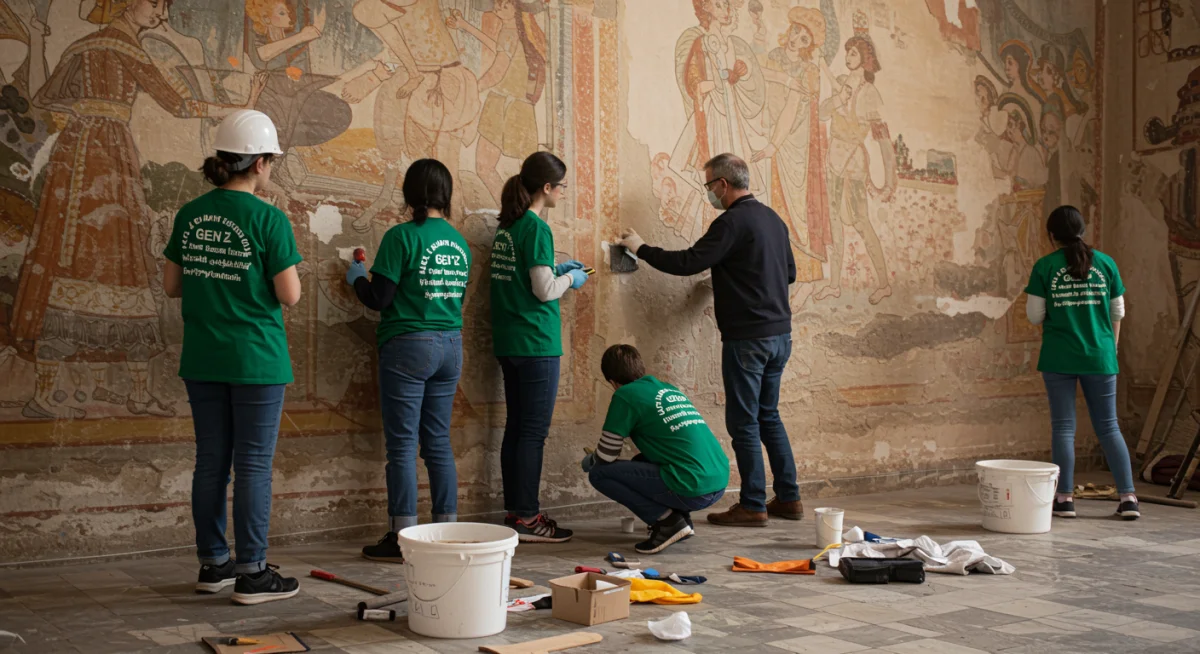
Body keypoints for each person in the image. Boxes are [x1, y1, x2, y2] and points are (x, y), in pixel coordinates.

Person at [163, 110, 303, 604]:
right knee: (254, 466)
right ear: (262, 163)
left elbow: (172, 285)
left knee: (210, 463)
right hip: (256, 360)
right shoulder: (268, 218)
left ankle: (214, 564)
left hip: (203, 356)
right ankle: (254, 573)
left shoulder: (190, 214)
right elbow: (291, 296)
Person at [618, 153, 801, 528]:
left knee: (745, 423)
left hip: (748, 339)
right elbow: (790, 274)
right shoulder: (773, 220)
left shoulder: (731, 222)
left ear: (722, 184)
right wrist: (736, 279)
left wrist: (640, 248)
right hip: (780, 335)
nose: (709, 194)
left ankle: (753, 504)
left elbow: (687, 261)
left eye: (708, 186)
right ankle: (789, 497)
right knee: (769, 416)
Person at [345, 159, 471, 562]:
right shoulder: (458, 242)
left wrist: (356, 278)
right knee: (437, 442)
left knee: (401, 445)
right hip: (451, 345)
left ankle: (402, 535)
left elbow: (379, 299)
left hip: (409, 346)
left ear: (409, 194)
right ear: (445, 196)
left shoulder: (401, 237)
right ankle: (446, 530)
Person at [490, 151, 588, 543]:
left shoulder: (507, 227)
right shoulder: (535, 228)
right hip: (536, 342)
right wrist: (572, 279)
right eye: (560, 186)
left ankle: (516, 513)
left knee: (516, 430)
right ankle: (529, 519)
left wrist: (557, 271)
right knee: (532, 434)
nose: (563, 192)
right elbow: (543, 290)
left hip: (510, 341)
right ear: (546, 188)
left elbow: (526, 278)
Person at [1025, 205, 1138, 520]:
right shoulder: (1105, 264)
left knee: (1063, 428)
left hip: (1059, 356)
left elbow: (1034, 316)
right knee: (1109, 426)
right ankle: (1128, 498)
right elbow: (1118, 312)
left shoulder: (1045, 267)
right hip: (1101, 356)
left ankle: (1065, 499)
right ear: (1082, 231)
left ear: (1051, 236)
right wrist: (1109, 347)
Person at [581, 345, 729, 554]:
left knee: (599, 474)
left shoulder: (625, 394)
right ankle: (682, 521)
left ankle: (668, 522)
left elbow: (607, 455)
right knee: (643, 460)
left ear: (612, 381)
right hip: (717, 482)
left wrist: (591, 460)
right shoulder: (667, 389)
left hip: (692, 486)